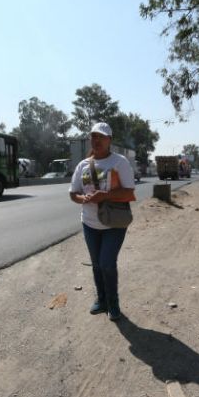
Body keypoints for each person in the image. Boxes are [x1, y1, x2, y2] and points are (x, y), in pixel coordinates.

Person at [68, 122, 136, 321]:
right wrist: (84, 198)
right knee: (97, 264)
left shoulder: (120, 162)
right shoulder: (83, 165)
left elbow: (129, 192)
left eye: (101, 137)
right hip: (89, 223)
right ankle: (101, 300)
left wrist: (104, 196)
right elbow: (73, 193)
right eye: (94, 136)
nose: (96, 140)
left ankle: (113, 304)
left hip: (114, 223)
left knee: (107, 263)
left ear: (109, 140)